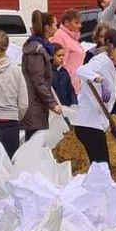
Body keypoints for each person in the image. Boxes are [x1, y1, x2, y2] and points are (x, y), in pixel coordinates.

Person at [74, 33, 116, 164]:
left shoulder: (110, 64)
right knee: (102, 169)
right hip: (88, 125)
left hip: (95, 124)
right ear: (112, 46)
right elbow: (80, 70)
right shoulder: (101, 61)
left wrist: (111, 125)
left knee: (100, 169)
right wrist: (99, 79)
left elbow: (103, 106)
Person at [21, 10, 62, 140]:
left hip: (38, 104)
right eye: (55, 24)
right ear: (47, 28)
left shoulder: (43, 48)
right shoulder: (37, 52)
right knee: (34, 142)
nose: (57, 27)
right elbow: (38, 80)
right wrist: (52, 104)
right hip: (34, 104)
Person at [52, 8, 86, 92]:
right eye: (76, 22)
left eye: (80, 23)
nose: (80, 26)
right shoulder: (59, 36)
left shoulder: (72, 37)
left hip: (77, 81)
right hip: (67, 84)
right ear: (66, 23)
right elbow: (59, 62)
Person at [50, 43, 77, 107]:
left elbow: (71, 90)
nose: (62, 58)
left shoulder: (64, 72)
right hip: (55, 108)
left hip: (67, 107)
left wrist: (74, 103)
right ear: (51, 56)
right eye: (59, 56)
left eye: (63, 55)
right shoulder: (47, 72)